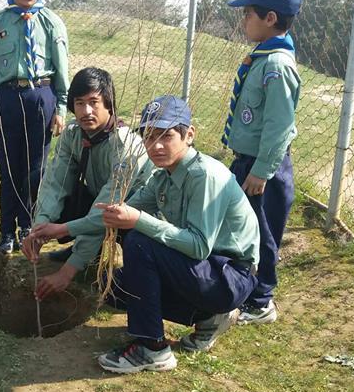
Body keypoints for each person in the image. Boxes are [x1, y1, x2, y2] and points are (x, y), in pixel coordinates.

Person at [85, 96, 261, 375]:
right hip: (204, 271)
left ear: (189, 135)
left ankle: (153, 349)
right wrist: (60, 230)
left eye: (166, 136)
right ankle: (210, 317)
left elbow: (199, 246)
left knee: (139, 241)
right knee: (115, 286)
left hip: (229, 274)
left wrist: (139, 220)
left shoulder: (205, 175)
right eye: (149, 136)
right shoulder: (163, 176)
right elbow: (117, 214)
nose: (155, 145)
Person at [21, 67, 151, 298]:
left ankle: (112, 268)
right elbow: (55, 183)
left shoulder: (126, 146)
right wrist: (39, 229)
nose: (86, 111)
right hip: (98, 202)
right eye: (79, 103)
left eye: (94, 102)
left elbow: (107, 209)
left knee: (133, 240)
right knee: (37, 181)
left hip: (131, 214)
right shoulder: (73, 134)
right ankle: (88, 252)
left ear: (109, 104)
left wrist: (67, 272)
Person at [223, 0, 302, 325]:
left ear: (270, 18)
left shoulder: (277, 65)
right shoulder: (262, 58)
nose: (244, 20)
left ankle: (261, 302)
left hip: (264, 167)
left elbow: (279, 125)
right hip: (249, 161)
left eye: (249, 14)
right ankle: (243, 287)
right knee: (244, 225)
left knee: (264, 233)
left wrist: (262, 171)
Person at [0, 0, 69, 254]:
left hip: (41, 97)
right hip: (8, 97)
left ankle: (28, 227)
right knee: (9, 168)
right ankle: (7, 231)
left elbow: (62, 70)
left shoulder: (52, 23)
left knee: (35, 169)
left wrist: (60, 108)